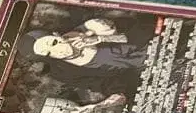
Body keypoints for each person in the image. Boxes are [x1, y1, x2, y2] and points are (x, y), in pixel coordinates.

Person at [15, 16, 148, 90]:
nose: (58, 51)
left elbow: (144, 31)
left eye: (54, 43)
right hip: (146, 79)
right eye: (48, 53)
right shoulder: (62, 72)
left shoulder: (92, 25)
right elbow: (108, 86)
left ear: (56, 34)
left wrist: (101, 38)